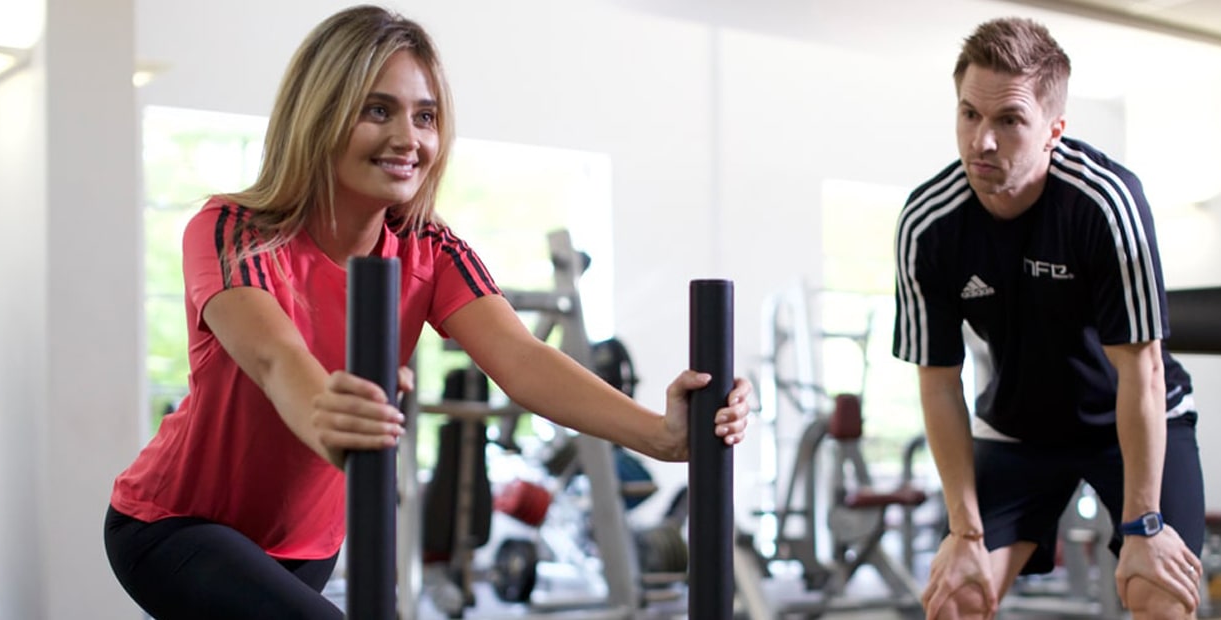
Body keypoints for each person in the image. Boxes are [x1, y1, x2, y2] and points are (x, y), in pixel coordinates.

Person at [103, 6, 751, 619]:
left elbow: (522, 360)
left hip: (307, 545)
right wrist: (327, 413)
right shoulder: (234, 230)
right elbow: (274, 357)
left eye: (425, 116)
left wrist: (660, 436)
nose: (407, 138)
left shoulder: (430, 251)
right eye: (377, 110)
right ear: (320, 113)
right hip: (176, 524)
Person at [894, 17, 1206, 620]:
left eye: (1009, 121)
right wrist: (964, 532)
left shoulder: (1104, 204)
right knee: (957, 598)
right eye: (969, 116)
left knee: (1159, 596)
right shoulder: (929, 223)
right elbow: (937, 382)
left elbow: (1140, 371)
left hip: (1131, 422)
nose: (982, 141)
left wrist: (1144, 523)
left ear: (1053, 131)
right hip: (1019, 430)